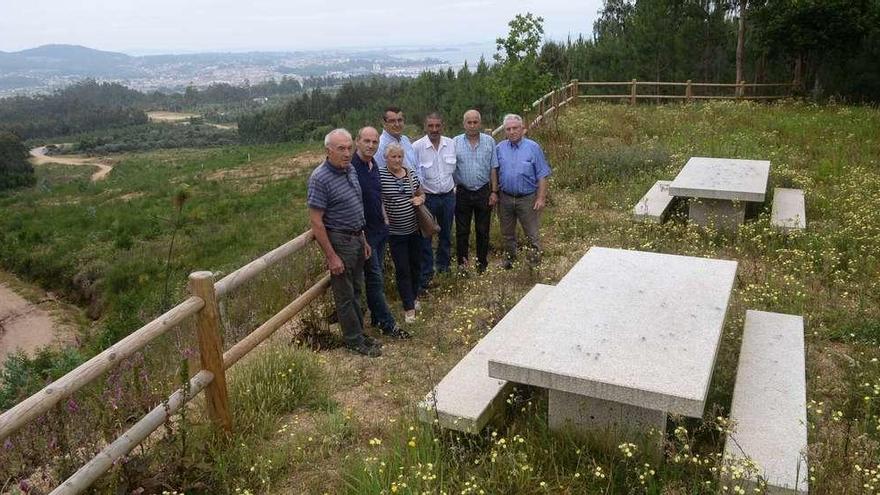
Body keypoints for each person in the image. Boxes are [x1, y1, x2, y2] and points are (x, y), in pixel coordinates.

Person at [307, 128, 380, 357]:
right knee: (345, 295)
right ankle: (353, 340)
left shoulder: (349, 170)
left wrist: (364, 240)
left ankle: (358, 333)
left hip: (357, 237)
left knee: (356, 289)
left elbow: (356, 207)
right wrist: (331, 256)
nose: (347, 153)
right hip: (340, 241)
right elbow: (316, 222)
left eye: (349, 148)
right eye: (341, 149)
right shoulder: (319, 178)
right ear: (328, 151)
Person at [351, 126, 410, 339]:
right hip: (364, 235)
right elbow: (353, 205)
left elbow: (377, 196)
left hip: (379, 231)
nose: (370, 145)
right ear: (357, 141)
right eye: (366, 141)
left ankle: (377, 317)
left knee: (377, 277)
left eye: (374, 142)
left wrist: (385, 219)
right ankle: (387, 324)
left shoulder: (372, 164)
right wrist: (362, 235)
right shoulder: (352, 168)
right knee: (375, 279)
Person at [495, 114, 551, 268]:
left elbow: (542, 174)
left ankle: (534, 263)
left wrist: (541, 198)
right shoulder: (499, 148)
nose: (512, 132)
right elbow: (494, 172)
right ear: (505, 131)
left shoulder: (533, 148)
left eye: (515, 128)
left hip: (527, 198)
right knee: (507, 233)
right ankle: (509, 260)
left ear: (523, 129)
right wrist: (494, 193)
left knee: (532, 233)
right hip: (505, 198)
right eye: (508, 129)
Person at [380, 143, 426, 323]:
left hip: (414, 229)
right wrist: (384, 217)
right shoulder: (381, 176)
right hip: (395, 233)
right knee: (403, 269)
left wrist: (419, 199)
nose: (397, 160)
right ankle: (408, 308)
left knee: (416, 265)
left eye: (400, 156)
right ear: (386, 158)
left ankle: (414, 297)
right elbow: (379, 199)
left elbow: (422, 194)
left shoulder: (410, 174)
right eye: (393, 157)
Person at [412, 112, 455, 291]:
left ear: (442, 126)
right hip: (427, 199)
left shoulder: (451, 144)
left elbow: (455, 170)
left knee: (446, 235)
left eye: (437, 126)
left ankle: (444, 269)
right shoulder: (416, 147)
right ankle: (427, 274)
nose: (434, 129)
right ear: (425, 126)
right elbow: (412, 173)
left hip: (448, 197)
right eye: (431, 126)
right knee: (425, 238)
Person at [453, 109, 499, 273]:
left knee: (483, 230)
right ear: (464, 124)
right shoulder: (455, 142)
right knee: (462, 231)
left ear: (480, 123)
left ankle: (482, 264)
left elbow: (493, 168)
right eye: (469, 122)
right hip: (463, 192)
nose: (472, 125)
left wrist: (494, 192)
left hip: (483, 192)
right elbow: (451, 168)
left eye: (475, 122)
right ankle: (463, 265)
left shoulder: (489, 142)